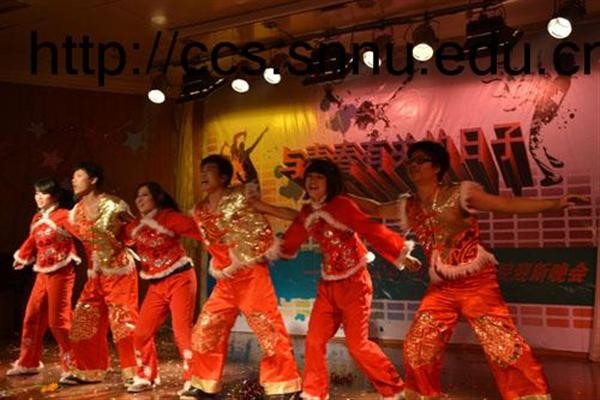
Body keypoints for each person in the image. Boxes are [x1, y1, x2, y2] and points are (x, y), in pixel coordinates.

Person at [352, 140, 587, 400]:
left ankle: (528, 395)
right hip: (441, 287)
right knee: (419, 341)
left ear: (437, 167)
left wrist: (553, 204)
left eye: (420, 161)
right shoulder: (410, 205)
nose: (413, 166)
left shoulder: (459, 194)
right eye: (411, 162)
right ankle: (422, 394)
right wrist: (336, 193)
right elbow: (375, 209)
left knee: (501, 343)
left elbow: (506, 204)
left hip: (476, 283)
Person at [252, 158, 419, 400]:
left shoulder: (342, 205)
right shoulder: (308, 212)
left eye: (319, 177)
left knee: (357, 345)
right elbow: (291, 239)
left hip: (355, 284)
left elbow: (369, 228)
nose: (312, 181)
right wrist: (268, 254)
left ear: (330, 182)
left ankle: (394, 389)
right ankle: (314, 392)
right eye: (310, 177)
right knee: (314, 340)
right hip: (328, 286)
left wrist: (402, 254)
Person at [178, 154, 301, 400]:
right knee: (207, 327)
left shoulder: (242, 198)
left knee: (267, 329)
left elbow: (281, 212)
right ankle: (204, 383)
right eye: (201, 171)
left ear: (224, 177)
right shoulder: (200, 210)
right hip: (226, 280)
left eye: (209, 170)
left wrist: (309, 216)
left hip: (252, 275)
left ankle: (284, 386)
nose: (203, 175)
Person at [59, 162, 139, 386]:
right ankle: (89, 370)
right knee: (84, 319)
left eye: (79, 176)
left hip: (120, 272)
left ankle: (136, 373)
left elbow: (133, 234)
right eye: (73, 176)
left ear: (93, 180)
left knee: (123, 322)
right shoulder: (76, 212)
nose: (74, 180)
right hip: (96, 275)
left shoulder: (114, 205)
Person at [124, 181, 201, 393]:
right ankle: (146, 376)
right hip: (156, 284)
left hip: (180, 279)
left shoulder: (169, 218)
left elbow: (202, 231)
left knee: (182, 332)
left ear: (156, 198)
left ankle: (195, 379)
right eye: (137, 196)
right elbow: (117, 236)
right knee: (141, 333)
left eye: (145, 195)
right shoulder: (135, 225)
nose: (139, 199)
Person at [8, 178, 79, 378]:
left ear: (54, 196)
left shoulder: (64, 215)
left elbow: (82, 234)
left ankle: (74, 365)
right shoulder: (37, 217)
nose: (38, 197)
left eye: (43, 193)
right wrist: (22, 257)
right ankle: (28, 362)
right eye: (36, 193)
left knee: (58, 321)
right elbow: (32, 240)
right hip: (42, 272)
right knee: (32, 316)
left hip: (62, 272)